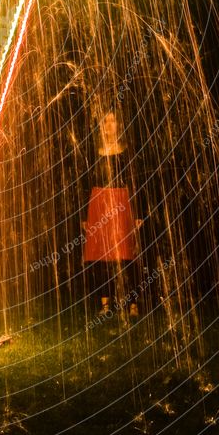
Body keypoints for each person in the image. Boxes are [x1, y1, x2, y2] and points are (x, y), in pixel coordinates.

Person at [82, 110, 142, 319]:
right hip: (98, 203)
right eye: (105, 122)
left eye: (113, 121)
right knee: (101, 257)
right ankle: (105, 304)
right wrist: (84, 215)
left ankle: (133, 304)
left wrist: (138, 212)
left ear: (119, 125)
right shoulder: (94, 152)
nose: (109, 126)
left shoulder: (126, 151)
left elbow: (134, 181)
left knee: (126, 255)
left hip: (121, 203)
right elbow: (86, 182)